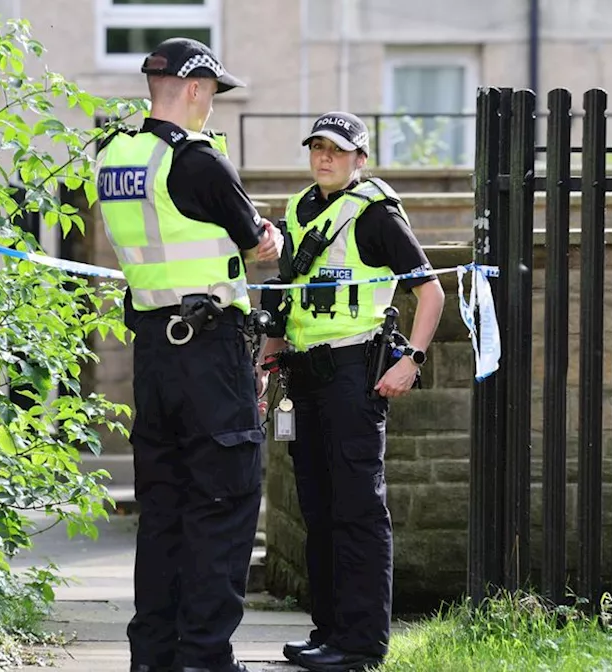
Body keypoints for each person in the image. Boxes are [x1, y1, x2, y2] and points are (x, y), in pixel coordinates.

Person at [91, 37, 285, 672]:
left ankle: (154, 655)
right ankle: (204, 657)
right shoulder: (198, 161)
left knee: (165, 506)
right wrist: (269, 239)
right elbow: (258, 243)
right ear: (196, 88)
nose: (212, 106)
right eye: (213, 93)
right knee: (225, 501)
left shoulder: (114, 155)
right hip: (208, 352)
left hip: (153, 352)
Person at [256, 112, 445, 672]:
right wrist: (271, 351)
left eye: (337, 150)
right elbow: (283, 290)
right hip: (305, 372)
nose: (324, 158)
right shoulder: (299, 207)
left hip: (352, 374)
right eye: (316, 148)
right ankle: (329, 633)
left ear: (360, 159)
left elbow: (430, 292)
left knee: (359, 510)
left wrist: (411, 359)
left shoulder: (376, 213)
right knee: (318, 507)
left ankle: (362, 645)